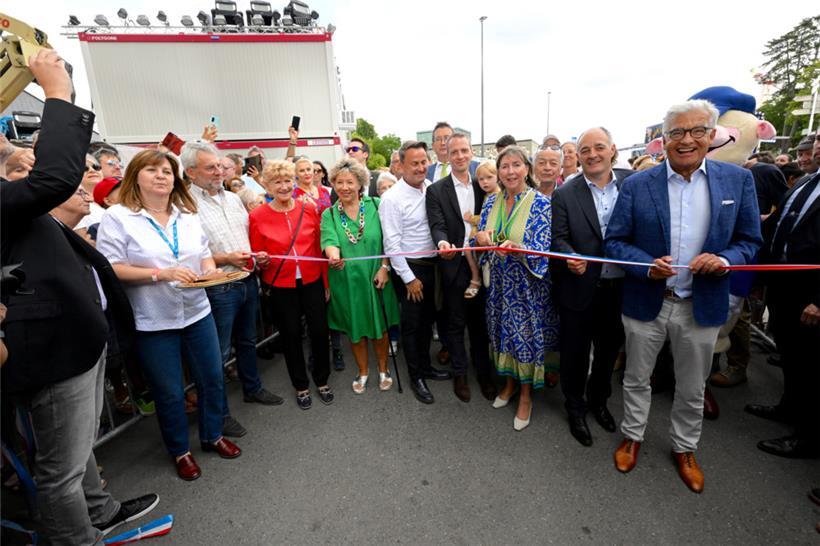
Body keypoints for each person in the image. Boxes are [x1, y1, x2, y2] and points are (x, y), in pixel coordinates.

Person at [1, 48, 158, 543]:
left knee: (78, 449)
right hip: (47, 350)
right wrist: (57, 92)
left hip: (74, 342)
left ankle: (102, 511)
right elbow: (54, 179)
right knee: (60, 471)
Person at [605, 99, 762, 493]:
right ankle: (633, 436)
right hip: (647, 301)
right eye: (676, 132)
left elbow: (749, 240)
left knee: (692, 385)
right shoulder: (638, 184)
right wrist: (645, 265)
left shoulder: (737, 181)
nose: (686, 140)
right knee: (637, 378)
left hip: (701, 303)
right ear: (664, 139)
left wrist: (725, 258)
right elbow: (616, 241)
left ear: (712, 136)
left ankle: (685, 447)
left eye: (696, 131)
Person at [97, 149, 242, 481]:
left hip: (196, 310)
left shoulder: (186, 214)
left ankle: (213, 435)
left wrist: (210, 273)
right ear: (136, 176)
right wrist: (160, 274)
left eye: (166, 170)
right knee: (170, 391)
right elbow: (112, 268)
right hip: (153, 318)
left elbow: (204, 255)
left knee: (212, 377)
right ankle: (180, 451)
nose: (162, 175)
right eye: (152, 169)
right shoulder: (118, 217)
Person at [181, 141, 284, 436]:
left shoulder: (233, 198)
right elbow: (187, 255)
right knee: (218, 354)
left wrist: (255, 254)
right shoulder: (185, 204)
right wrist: (226, 258)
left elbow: (244, 236)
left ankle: (252, 388)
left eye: (220, 166)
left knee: (248, 340)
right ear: (190, 172)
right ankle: (218, 415)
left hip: (247, 279)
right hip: (217, 287)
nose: (219, 171)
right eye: (210, 167)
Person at [550, 127, 627, 447]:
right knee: (575, 352)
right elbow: (558, 238)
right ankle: (576, 408)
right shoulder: (566, 193)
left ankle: (599, 401)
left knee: (609, 351)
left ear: (612, 150)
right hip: (579, 287)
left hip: (619, 287)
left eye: (598, 147)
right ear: (578, 156)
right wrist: (570, 256)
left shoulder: (632, 185)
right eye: (585, 150)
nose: (592, 154)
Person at [474, 146, 560, 430]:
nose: (510, 171)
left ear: (527, 169)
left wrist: (520, 249)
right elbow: (480, 243)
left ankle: (525, 397)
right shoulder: (490, 202)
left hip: (526, 289)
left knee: (524, 341)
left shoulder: (540, 203)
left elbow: (543, 249)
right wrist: (481, 239)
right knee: (501, 335)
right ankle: (509, 385)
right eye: (504, 166)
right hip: (498, 285)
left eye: (516, 165)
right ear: (498, 171)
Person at [750, 133, 820, 459]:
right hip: (784, 284)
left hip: (811, 294)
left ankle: (807, 437)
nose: (815, 150)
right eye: (817, 144)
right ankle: (788, 407)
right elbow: (778, 224)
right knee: (791, 354)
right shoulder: (806, 183)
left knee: (811, 365)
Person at [249, 159, 335, 409]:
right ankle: (301, 385)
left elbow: (320, 250)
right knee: (291, 336)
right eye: (277, 182)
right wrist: (261, 261)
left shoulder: (308, 210)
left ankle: (322, 379)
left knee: (319, 332)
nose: (284, 186)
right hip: (280, 285)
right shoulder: (257, 216)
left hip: (312, 280)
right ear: (267, 185)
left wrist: (325, 282)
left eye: (288, 180)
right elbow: (257, 254)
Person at [379, 140, 452, 404]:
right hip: (411, 268)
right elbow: (391, 243)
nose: (421, 168)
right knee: (412, 326)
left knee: (427, 322)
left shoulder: (430, 189)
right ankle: (416, 376)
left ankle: (426, 367)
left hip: (434, 266)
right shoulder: (391, 199)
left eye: (424, 162)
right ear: (400, 165)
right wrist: (409, 279)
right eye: (415, 163)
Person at [426, 133, 496, 402]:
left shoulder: (483, 184)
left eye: (464, 150)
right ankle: (459, 373)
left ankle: (484, 373)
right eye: (454, 151)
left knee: (480, 325)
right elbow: (437, 224)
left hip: (482, 263)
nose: (459, 156)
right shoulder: (436, 190)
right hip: (454, 263)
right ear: (446, 153)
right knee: (455, 324)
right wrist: (442, 242)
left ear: (471, 152)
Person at [321, 158, 400, 393]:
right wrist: (333, 256)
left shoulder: (377, 204)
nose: (344, 187)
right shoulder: (330, 215)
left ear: (360, 183)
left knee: (381, 326)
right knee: (355, 327)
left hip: (378, 275)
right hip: (347, 280)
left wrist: (385, 267)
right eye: (339, 182)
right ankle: (363, 371)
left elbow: (390, 239)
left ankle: (384, 369)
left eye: (350, 182)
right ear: (333, 184)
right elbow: (329, 241)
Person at [74, 154, 105, 238]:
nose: (92, 170)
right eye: (84, 168)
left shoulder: (110, 200)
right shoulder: (74, 204)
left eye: (96, 167)